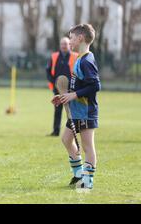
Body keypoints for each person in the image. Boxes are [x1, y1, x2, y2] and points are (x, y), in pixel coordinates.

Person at [52, 24, 101, 190]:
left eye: (72, 38)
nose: (70, 41)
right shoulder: (80, 58)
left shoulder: (87, 60)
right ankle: (78, 173)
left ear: (80, 38)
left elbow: (95, 86)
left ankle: (87, 181)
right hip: (76, 111)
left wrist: (74, 95)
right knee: (66, 139)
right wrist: (64, 96)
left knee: (88, 147)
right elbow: (78, 86)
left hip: (87, 112)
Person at [46, 37, 78, 136]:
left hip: (71, 90)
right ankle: (56, 131)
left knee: (72, 111)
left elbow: (77, 73)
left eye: (66, 44)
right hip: (58, 89)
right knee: (57, 110)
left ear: (70, 45)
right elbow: (48, 71)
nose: (64, 46)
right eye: (62, 44)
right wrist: (55, 83)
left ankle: (74, 130)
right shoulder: (54, 56)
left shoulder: (75, 56)